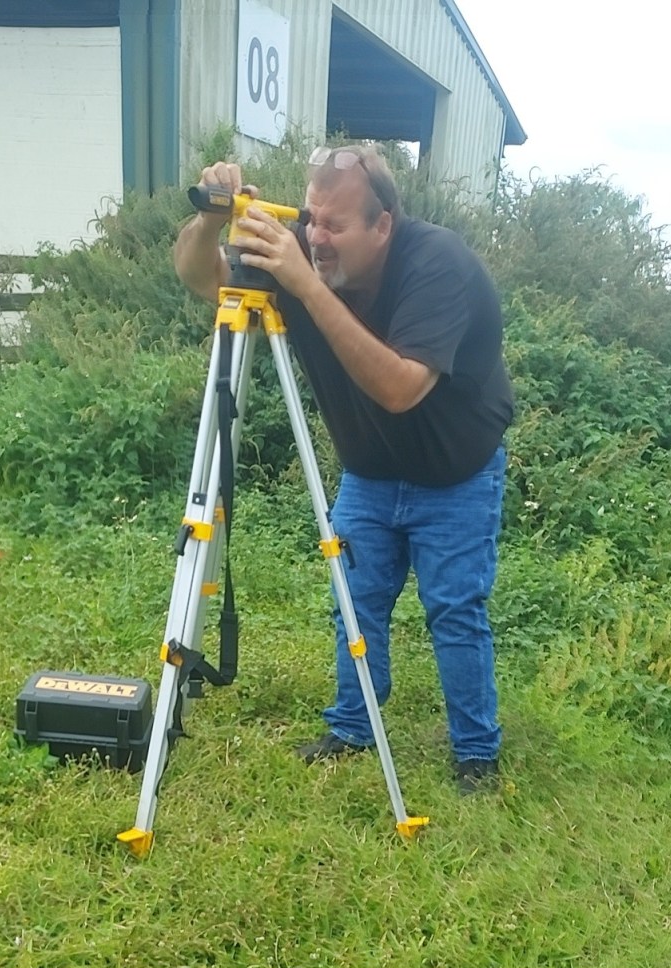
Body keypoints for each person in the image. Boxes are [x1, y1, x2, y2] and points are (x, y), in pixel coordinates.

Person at [173, 144, 513, 795]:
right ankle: (353, 726)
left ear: (382, 224)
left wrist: (303, 281)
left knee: (453, 609)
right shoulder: (302, 253)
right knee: (354, 603)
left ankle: (475, 753)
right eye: (309, 218)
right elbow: (201, 278)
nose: (315, 236)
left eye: (334, 225)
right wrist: (209, 220)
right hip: (369, 472)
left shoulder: (437, 265)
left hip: (456, 475)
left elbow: (400, 387)